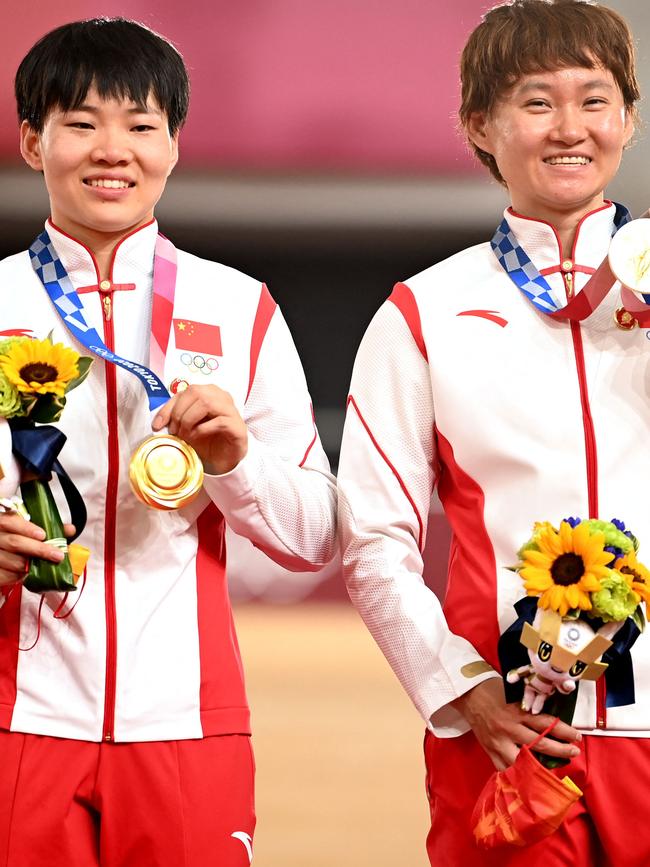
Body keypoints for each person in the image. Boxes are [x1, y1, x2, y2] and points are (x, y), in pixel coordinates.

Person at [0, 18, 336, 867]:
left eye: (141, 125)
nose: (112, 149)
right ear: (33, 140)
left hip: (189, 725)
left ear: (175, 145)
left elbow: (315, 536)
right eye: (81, 123)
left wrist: (235, 464)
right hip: (15, 722)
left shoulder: (239, 307)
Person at [337, 1, 650, 864]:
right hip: (511, 734)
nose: (570, 128)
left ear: (628, 115)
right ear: (480, 123)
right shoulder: (423, 312)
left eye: (594, 100)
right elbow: (371, 539)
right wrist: (460, 688)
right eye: (537, 102)